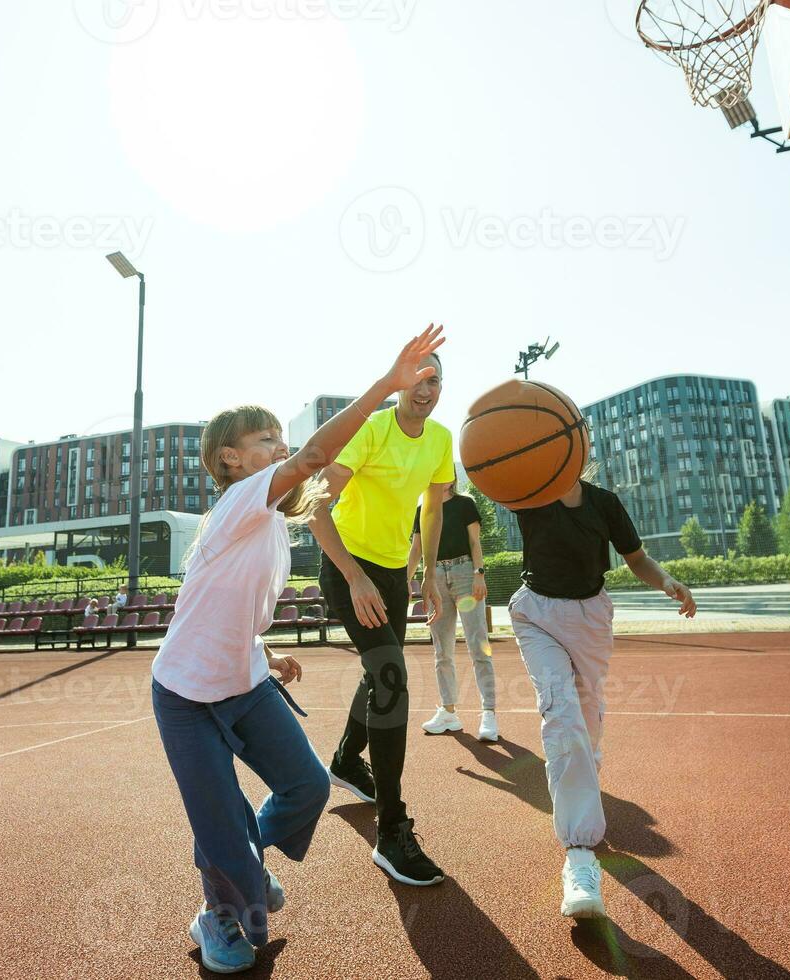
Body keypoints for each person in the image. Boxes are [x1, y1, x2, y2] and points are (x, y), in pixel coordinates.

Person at [150, 325, 444, 972]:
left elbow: (226, 603)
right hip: (184, 696)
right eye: (265, 440)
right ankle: (221, 911)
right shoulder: (238, 501)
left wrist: (262, 651)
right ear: (230, 459)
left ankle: (240, 869)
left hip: (245, 682)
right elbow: (313, 458)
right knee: (225, 837)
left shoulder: (272, 524)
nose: (281, 446)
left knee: (307, 788)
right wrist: (386, 387)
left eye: (280, 436)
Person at [509, 475, 696, 920]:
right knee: (563, 716)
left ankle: (583, 771)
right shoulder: (527, 490)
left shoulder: (604, 502)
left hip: (591, 616)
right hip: (536, 613)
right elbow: (491, 469)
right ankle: (579, 854)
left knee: (586, 723)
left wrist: (667, 580)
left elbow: (637, 559)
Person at [309, 347, 456, 887]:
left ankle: (348, 759)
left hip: (395, 572)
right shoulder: (370, 428)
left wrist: (430, 573)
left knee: (379, 675)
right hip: (350, 566)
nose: (425, 389)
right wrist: (353, 574)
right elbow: (316, 505)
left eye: (434, 381)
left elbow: (433, 507)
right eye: (416, 379)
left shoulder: (441, 440)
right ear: (399, 385)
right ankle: (391, 831)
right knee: (392, 680)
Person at [407, 481, 497, 742]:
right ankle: (448, 712)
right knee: (441, 651)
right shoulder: (422, 510)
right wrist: (405, 579)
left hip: (465, 574)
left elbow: (475, 542)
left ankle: (488, 712)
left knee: (478, 645)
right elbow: (416, 549)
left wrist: (479, 574)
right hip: (434, 578)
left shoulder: (465, 503)